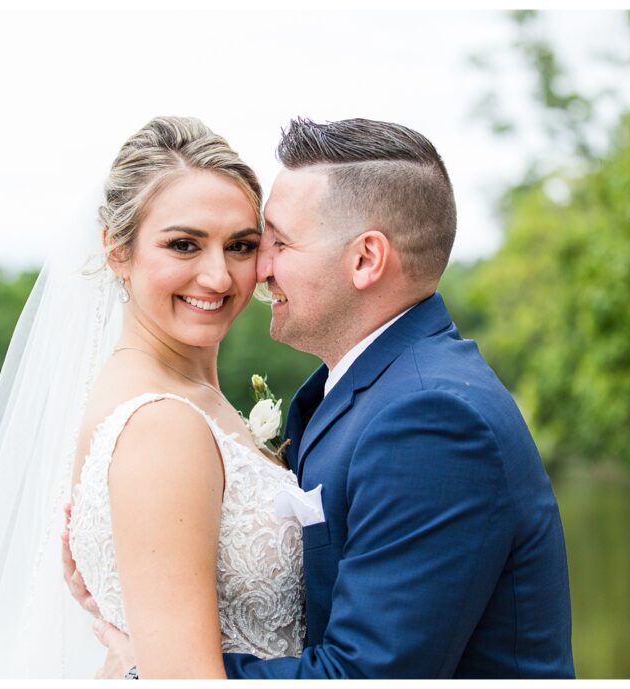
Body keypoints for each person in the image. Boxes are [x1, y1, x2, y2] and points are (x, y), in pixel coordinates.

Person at [77, 117, 576, 678]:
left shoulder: (432, 418)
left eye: (271, 243)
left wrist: (148, 671)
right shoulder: (349, 397)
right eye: (186, 244)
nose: (253, 272)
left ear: (365, 258)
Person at [0, 116, 304, 679]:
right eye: (184, 245)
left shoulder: (173, 396)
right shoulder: (162, 424)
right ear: (117, 251)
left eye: (240, 246)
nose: (218, 277)